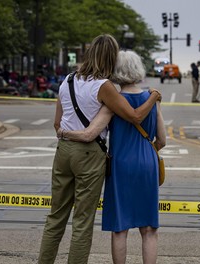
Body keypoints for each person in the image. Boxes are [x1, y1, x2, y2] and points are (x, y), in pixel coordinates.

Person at [38, 34, 162, 264]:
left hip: (63, 151)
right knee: (82, 222)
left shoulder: (68, 80)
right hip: (88, 153)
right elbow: (134, 115)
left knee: (55, 217)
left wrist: (65, 133)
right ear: (110, 58)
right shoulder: (105, 87)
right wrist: (154, 95)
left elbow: (57, 122)